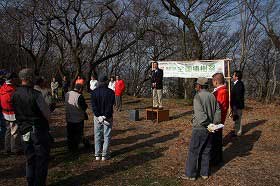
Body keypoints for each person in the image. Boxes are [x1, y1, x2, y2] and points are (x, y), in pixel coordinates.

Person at [11, 68, 51, 186]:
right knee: (41, 158)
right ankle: (38, 183)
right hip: (37, 130)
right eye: (32, 77)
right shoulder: (36, 94)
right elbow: (47, 114)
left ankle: (30, 181)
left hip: (23, 129)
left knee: (29, 158)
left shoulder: (15, 94)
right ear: (29, 79)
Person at [182, 77, 221, 180]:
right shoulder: (212, 96)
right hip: (210, 128)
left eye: (196, 85)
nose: (196, 86)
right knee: (206, 151)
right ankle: (204, 173)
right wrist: (214, 124)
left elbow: (201, 116)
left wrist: (208, 124)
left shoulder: (197, 97)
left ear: (199, 86)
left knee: (193, 151)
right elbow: (218, 111)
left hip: (200, 128)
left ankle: (190, 175)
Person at [91, 75, 115, 161]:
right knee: (107, 135)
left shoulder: (94, 92)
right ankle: (104, 155)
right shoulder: (111, 92)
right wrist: (105, 116)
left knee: (97, 135)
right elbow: (110, 105)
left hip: (97, 117)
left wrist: (98, 116)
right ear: (106, 82)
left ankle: (97, 154)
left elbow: (93, 106)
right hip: (107, 116)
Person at [0, 72, 22, 154]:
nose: (17, 80)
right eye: (15, 78)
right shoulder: (13, 90)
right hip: (13, 113)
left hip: (5, 112)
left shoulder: (2, 87)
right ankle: (15, 149)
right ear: (12, 79)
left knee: (8, 130)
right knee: (15, 131)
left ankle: (7, 148)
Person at [211, 73, 229, 165]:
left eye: (213, 81)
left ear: (216, 81)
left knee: (216, 140)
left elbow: (220, 108)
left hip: (217, 120)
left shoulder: (221, 92)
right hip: (217, 120)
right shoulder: (221, 91)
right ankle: (216, 158)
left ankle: (216, 160)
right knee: (216, 139)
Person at [65, 84, 88, 152]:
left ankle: (70, 147)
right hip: (78, 118)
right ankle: (79, 147)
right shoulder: (79, 96)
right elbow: (84, 107)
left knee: (70, 134)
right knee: (79, 134)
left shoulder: (67, 94)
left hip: (69, 117)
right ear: (80, 89)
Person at [230, 70, 245, 136]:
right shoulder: (236, 83)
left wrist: (235, 106)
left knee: (238, 119)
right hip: (235, 105)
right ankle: (236, 131)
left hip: (237, 105)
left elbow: (238, 96)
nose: (232, 76)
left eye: (233, 75)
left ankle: (238, 132)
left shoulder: (239, 84)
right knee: (236, 118)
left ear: (237, 77)